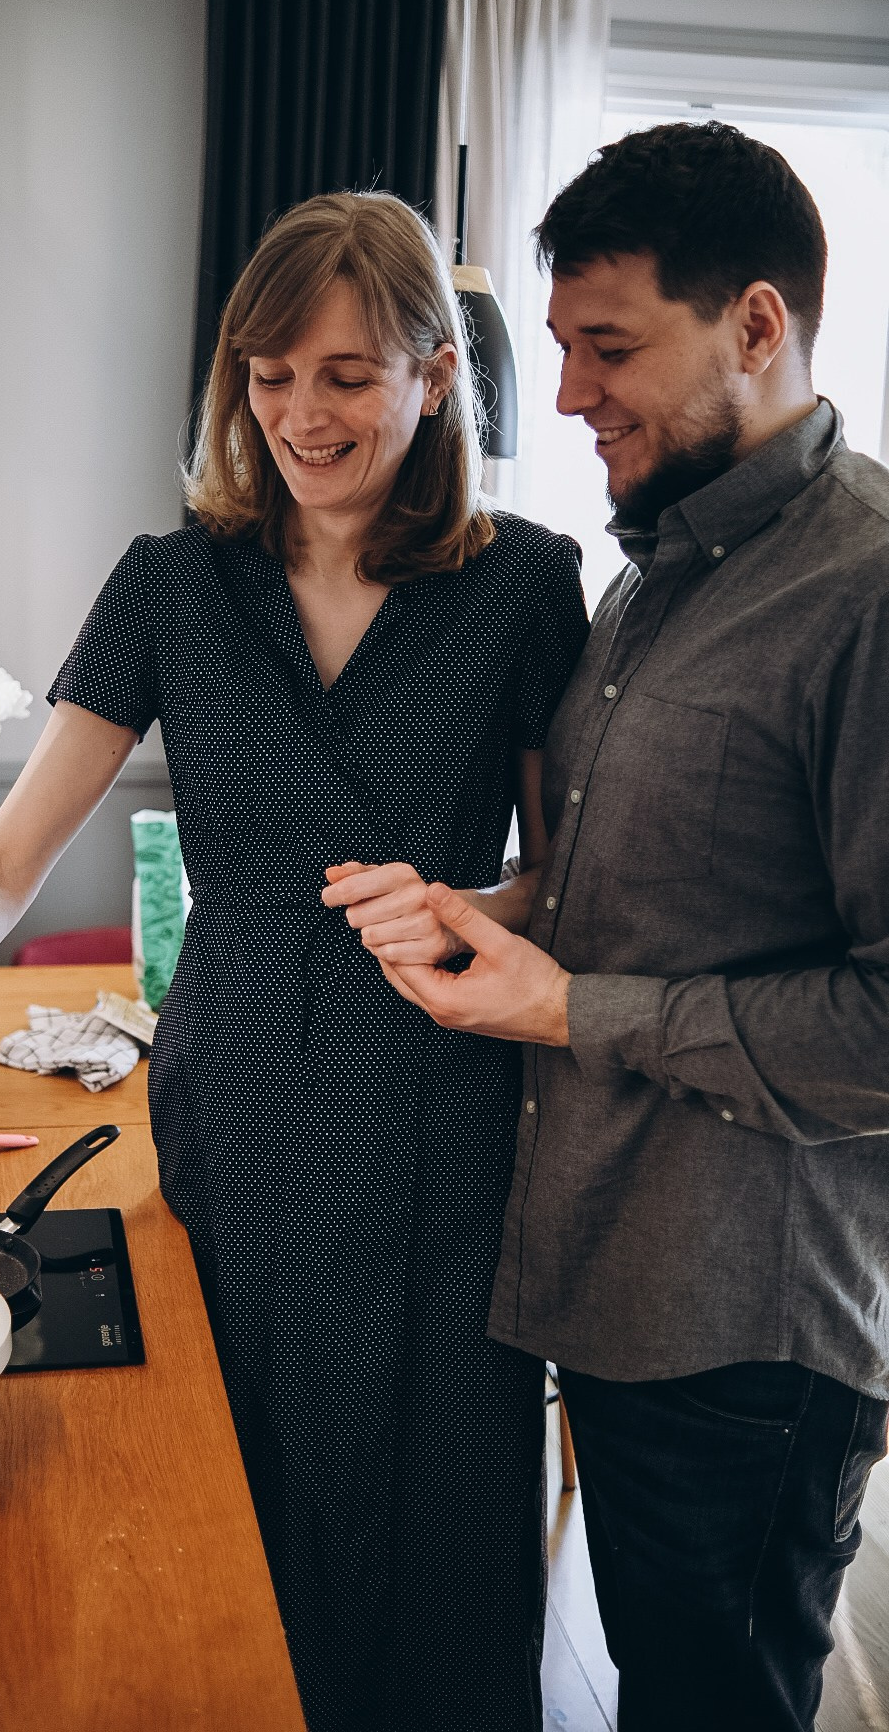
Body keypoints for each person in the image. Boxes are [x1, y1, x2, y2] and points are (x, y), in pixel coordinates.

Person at [0, 191, 589, 1732]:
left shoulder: (523, 584)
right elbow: (7, 863)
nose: (300, 413)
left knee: (440, 1532)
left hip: (445, 1118)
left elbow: (563, 877)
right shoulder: (171, 584)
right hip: (240, 1108)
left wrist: (478, 905)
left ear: (434, 374)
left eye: (348, 375)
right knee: (239, 1514)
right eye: (267, 372)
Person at [328, 124, 889, 1730]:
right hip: (612, 1277)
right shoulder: (654, 569)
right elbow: (617, 899)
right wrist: (485, 917)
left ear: (759, 327)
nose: (566, 392)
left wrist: (566, 1010)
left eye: (611, 346)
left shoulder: (868, 589)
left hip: (749, 1332)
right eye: (565, 345)